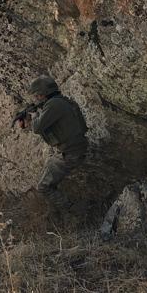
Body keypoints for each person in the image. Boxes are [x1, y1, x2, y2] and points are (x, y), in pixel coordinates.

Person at [14, 75, 88, 214]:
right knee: (46, 173)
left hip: (71, 152)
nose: (36, 98)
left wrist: (32, 115)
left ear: (43, 94)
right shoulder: (59, 102)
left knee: (43, 187)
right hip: (72, 149)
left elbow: (37, 127)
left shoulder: (54, 105)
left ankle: (76, 212)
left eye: (37, 95)